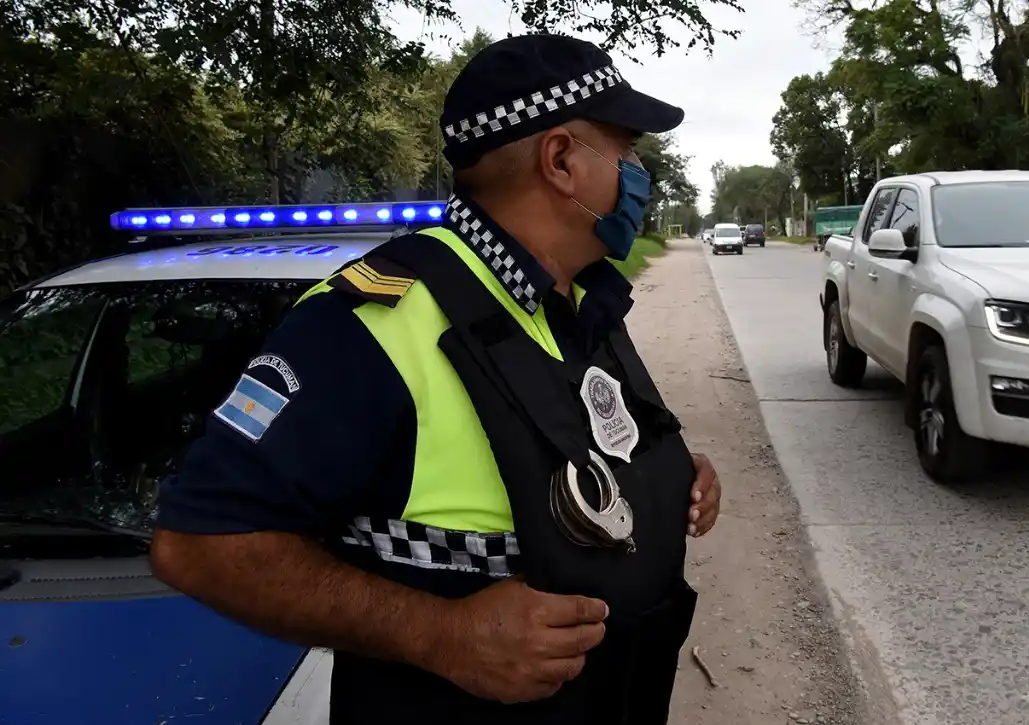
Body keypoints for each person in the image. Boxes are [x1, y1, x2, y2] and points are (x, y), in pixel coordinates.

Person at [149, 33, 723, 725]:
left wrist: (664, 477)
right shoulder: (372, 322)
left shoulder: (577, 297)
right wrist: (441, 634)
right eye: (626, 151)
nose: (637, 173)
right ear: (561, 160)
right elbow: (200, 546)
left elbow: (577, 445)